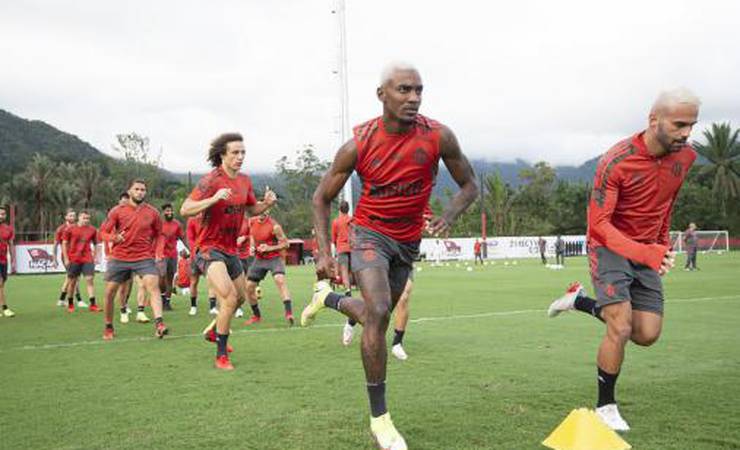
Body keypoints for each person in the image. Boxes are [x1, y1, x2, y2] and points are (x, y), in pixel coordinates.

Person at [301, 62, 478, 449]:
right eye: (403, 90)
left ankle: (326, 299)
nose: (413, 98)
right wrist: (324, 253)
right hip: (368, 235)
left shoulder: (439, 136)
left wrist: (448, 215)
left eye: (418, 90)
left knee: (374, 320)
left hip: (407, 242)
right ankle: (380, 418)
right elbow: (321, 198)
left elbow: (469, 185)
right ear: (382, 94)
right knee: (379, 311)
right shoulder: (359, 143)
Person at [547, 88, 700, 431]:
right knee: (621, 325)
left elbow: (666, 202)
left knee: (646, 333)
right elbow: (598, 225)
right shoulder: (615, 160)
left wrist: (660, 243)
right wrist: (645, 251)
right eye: (679, 124)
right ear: (653, 120)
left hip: (648, 247)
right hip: (609, 246)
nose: (687, 133)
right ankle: (605, 407)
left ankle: (578, 301)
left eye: (692, 125)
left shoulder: (686, 157)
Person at [180, 132, 276, 370]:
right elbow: (186, 209)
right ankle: (221, 355)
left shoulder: (244, 181)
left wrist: (268, 204)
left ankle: (214, 331)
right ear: (222, 155)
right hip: (208, 249)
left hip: (231, 249)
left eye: (243, 152)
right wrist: (212, 199)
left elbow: (252, 209)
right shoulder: (211, 180)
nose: (240, 156)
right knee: (229, 297)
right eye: (235, 152)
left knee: (241, 297)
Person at [99, 179, 169, 340]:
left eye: (143, 190)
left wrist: (158, 252)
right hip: (119, 257)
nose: (140, 192)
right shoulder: (117, 211)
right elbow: (102, 233)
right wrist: (114, 238)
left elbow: (160, 235)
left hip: (143, 257)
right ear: (130, 191)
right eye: (136, 189)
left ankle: (159, 324)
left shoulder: (152, 212)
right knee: (110, 293)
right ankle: (109, 326)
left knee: (153, 286)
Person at [244, 211, 292, 326]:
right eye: (259, 209)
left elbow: (286, 244)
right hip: (259, 259)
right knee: (249, 287)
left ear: (268, 211)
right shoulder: (251, 222)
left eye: (264, 210)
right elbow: (251, 235)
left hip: (274, 258)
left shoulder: (275, 226)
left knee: (279, 280)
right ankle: (256, 316)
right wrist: (251, 246)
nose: (261, 212)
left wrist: (270, 248)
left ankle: (289, 313)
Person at [61, 210, 100, 313]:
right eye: (84, 218)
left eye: (88, 218)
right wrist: (66, 258)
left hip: (87, 258)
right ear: (79, 218)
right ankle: (70, 303)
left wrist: (96, 257)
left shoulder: (92, 230)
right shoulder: (69, 229)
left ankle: (93, 304)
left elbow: (96, 244)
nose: (86, 220)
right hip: (74, 259)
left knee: (89, 279)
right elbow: (64, 244)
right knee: (72, 282)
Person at [187, 214, 218, 316]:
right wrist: (198, 251)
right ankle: (193, 306)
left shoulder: (211, 220)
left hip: (208, 255)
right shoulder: (192, 220)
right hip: (195, 256)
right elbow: (190, 239)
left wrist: (209, 251)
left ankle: (213, 307)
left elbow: (213, 238)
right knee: (194, 282)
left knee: (211, 280)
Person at [54, 209, 84, 308]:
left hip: (77, 256)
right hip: (67, 256)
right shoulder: (61, 229)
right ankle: (78, 300)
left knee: (71, 278)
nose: (73, 217)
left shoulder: (78, 227)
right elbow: (56, 244)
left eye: (74, 215)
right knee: (73, 278)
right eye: (70, 216)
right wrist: (54, 259)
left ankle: (61, 299)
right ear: (66, 217)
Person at [158, 203, 184, 310]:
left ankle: (167, 303)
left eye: (171, 211)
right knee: (161, 277)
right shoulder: (158, 224)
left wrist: (188, 249)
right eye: (167, 211)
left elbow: (181, 237)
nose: (170, 213)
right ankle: (162, 298)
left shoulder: (177, 224)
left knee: (170, 278)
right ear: (163, 212)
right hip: (161, 255)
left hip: (173, 254)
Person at [332, 200, 353, 294]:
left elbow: (334, 237)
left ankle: (348, 289)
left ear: (339, 210)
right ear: (348, 210)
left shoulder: (336, 222)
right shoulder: (352, 220)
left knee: (344, 270)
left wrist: (336, 247)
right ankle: (354, 286)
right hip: (353, 247)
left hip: (341, 247)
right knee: (352, 270)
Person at [0, 206, 16, 317]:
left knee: (2, 284)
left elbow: (10, 244)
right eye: (0, 213)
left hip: (3, 260)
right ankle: (5, 308)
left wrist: (13, 259)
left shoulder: (8, 228)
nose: (1, 216)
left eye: (3, 214)